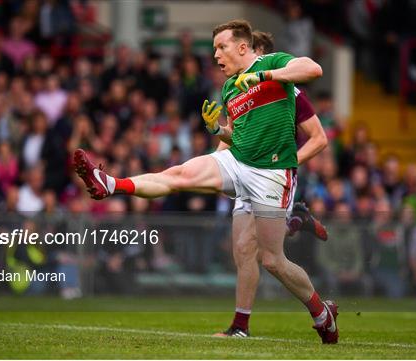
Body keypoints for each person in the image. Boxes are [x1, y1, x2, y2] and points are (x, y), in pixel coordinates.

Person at [74, 19, 338, 344]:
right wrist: (218, 130)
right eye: (214, 49)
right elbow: (236, 137)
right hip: (239, 162)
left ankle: (321, 312)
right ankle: (111, 184)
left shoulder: (272, 64)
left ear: (243, 47)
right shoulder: (229, 88)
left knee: (272, 260)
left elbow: (313, 69)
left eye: (221, 47)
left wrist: (265, 75)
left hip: (272, 174)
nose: (215, 55)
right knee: (181, 176)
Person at [212, 30, 329, 338]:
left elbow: (319, 138)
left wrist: (282, 166)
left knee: (267, 256)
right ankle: (240, 325)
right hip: (246, 172)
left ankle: (242, 326)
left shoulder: (287, 87)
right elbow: (234, 138)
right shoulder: (236, 91)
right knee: (242, 250)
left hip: (273, 173)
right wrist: (217, 145)